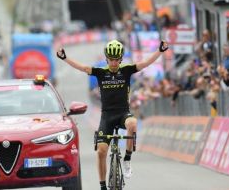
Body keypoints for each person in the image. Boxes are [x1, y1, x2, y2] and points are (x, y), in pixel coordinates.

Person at [56, 39, 168, 190]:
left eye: (116, 60)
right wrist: (65, 57)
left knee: (133, 123)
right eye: (111, 60)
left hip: (123, 113)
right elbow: (82, 68)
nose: (114, 63)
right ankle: (103, 186)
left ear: (120, 59)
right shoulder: (101, 72)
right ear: (106, 58)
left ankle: (127, 160)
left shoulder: (127, 70)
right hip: (107, 117)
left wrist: (160, 51)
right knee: (101, 151)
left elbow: (146, 63)